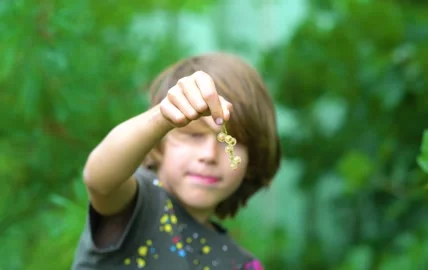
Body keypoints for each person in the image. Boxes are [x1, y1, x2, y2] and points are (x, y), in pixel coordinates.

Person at [71, 52, 281, 270]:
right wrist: (163, 117)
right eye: (194, 135)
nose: (209, 155)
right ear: (159, 144)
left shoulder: (243, 265)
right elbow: (99, 180)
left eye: (230, 141)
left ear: (253, 159)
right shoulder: (137, 204)